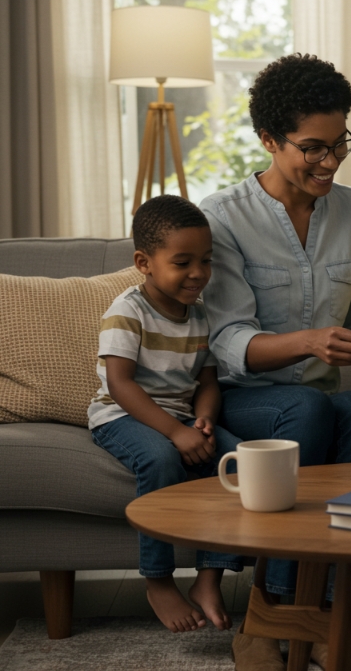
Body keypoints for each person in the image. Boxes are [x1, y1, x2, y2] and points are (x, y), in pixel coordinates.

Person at [201, 53, 351, 671]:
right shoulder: (222, 217)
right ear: (267, 140)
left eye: (341, 145)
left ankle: (335, 608)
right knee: (307, 409)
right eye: (313, 148)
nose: (331, 162)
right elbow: (227, 339)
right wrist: (311, 341)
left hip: (319, 391)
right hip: (245, 393)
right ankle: (267, 609)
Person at [89, 195, 243, 634]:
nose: (199, 273)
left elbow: (208, 382)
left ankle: (208, 580)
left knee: (241, 463)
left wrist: (204, 421)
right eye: (183, 262)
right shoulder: (128, 311)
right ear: (144, 262)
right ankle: (157, 581)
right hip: (120, 415)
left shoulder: (202, 315)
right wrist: (176, 433)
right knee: (159, 459)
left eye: (206, 260)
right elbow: (120, 385)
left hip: (179, 416)